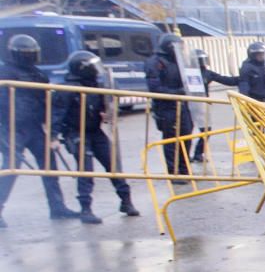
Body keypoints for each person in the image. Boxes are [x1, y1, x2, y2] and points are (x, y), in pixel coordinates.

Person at [0, 34, 79, 227]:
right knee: (11, 168)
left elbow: (45, 102)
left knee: (49, 166)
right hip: (11, 128)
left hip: (34, 128)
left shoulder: (38, 74)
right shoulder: (4, 73)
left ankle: (57, 207)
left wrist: (51, 130)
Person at [54, 51, 140, 224]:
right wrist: (53, 136)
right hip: (76, 132)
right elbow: (57, 114)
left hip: (95, 131)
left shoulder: (93, 86)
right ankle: (86, 209)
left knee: (113, 165)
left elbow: (102, 106)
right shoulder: (67, 90)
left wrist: (105, 113)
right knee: (86, 171)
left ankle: (126, 201)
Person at [145, 33, 193, 177]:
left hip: (182, 105)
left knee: (186, 136)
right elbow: (154, 87)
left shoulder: (179, 61)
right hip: (166, 108)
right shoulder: (155, 62)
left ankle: (185, 169)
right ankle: (174, 172)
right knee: (172, 140)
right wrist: (177, 92)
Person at [191, 49, 239, 163]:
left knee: (206, 129)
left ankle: (198, 153)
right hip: (188, 103)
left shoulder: (207, 73)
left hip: (202, 104)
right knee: (186, 131)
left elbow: (226, 80)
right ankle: (183, 156)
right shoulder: (186, 72)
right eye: (199, 60)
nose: (202, 63)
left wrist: (243, 78)